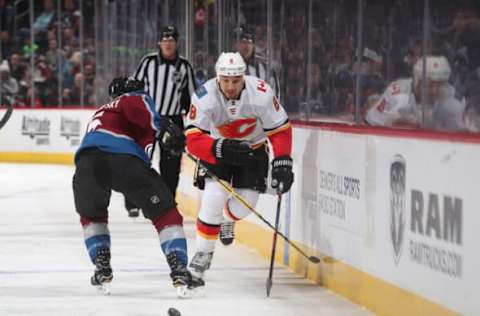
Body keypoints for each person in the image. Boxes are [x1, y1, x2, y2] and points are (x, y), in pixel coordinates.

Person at [72, 77, 203, 296]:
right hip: (123, 161)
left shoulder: (102, 111)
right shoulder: (134, 98)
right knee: (165, 213)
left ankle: (101, 265)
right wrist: (163, 129)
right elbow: (142, 112)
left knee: (92, 215)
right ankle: (179, 268)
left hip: (85, 166)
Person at [184, 52, 294, 282]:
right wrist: (218, 148)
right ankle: (203, 254)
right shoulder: (204, 96)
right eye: (226, 80)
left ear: (243, 77)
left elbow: (280, 129)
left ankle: (227, 220)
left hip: (253, 148)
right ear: (218, 77)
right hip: (216, 147)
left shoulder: (261, 93)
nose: (231, 86)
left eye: (236, 80)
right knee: (214, 196)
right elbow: (193, 138)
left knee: (245, 205)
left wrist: (283, 160)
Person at [218, 25, 283, 244]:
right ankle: (214, 219)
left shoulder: (266, 68)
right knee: (217, 188)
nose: (245, 44)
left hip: (254, 139)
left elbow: (274, 100)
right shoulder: (224, 67)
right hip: (226, 137)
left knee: (249, 195)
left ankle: (227, 218)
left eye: (249, 40)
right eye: (241, 40)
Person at [124, 25, 197, 218]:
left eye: (171, 40)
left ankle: (166, 204)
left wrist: (192, 124)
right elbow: (133, 87)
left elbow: (191, 98)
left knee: (171, 167)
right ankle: (133, 201)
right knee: (138, 159)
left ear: (176, 42)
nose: (168, 44)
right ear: (159, 42)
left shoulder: (184, 66)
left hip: (172, 121)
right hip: (147, 118)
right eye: (164, 40)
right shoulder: (148, 62)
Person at [365, 55, 466, 131]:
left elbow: (462, 137)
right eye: (429, 85)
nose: (434, 90)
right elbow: (372, 121)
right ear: (417, 81)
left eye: (440, 85)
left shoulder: (454, 99)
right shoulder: (398, 90)